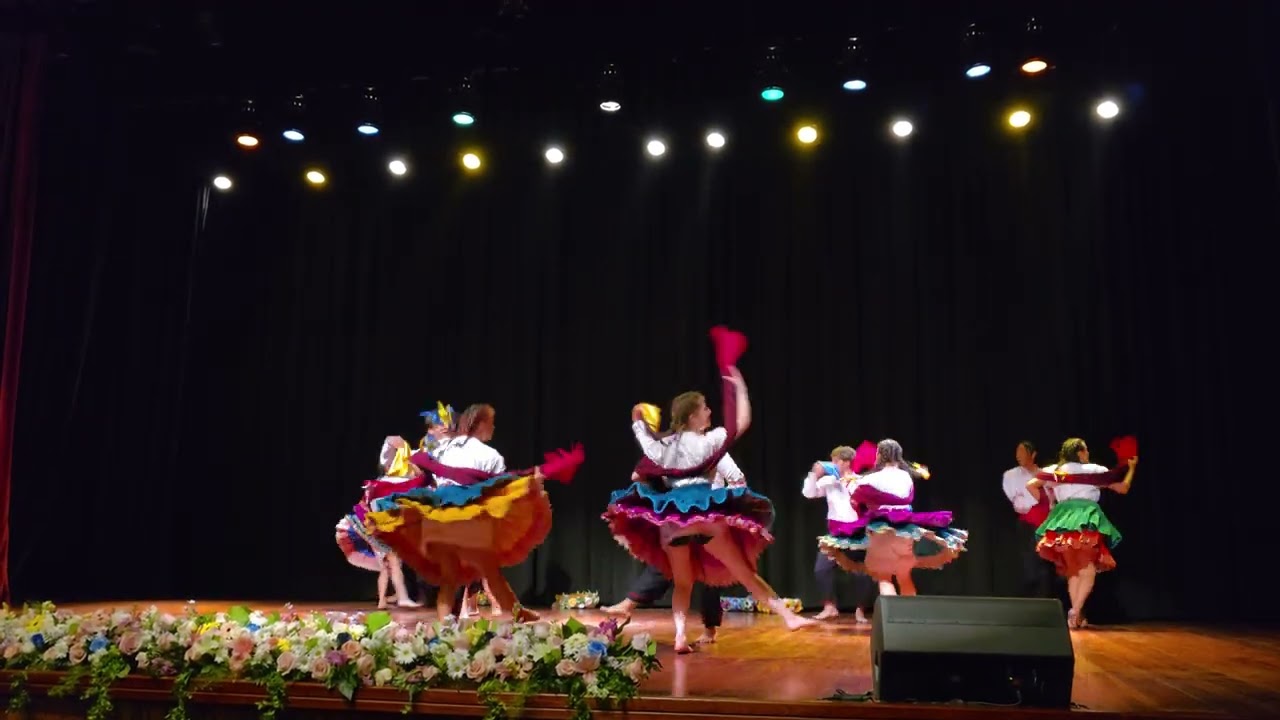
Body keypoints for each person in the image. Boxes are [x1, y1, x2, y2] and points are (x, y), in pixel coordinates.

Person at [603, 326, 816, 654]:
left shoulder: (661, 446)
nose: (710, 412)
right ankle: (788, 618)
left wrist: (638, 417)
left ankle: (679, 638)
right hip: (706, 513)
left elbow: (640, 441)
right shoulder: (709, 441)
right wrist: (737, 383)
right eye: (705, 408)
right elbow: (741, 422)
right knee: (745, 573)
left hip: (672, 519)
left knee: (683, 582)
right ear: (692, 416)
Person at [366, 403, 584, 622]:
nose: (493, 429)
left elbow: (422, 470)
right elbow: (499, 487)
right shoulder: (490, 455)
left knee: (451, 578)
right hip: (468, 520)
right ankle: (517, 614)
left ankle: (446, 626)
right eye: (491, 424)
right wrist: (530, 479)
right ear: (480, 424)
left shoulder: (440, 450)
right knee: (490, 572)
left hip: (437, 518)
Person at [601, 403, 747, 646]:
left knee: (709, 575)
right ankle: (633, 606)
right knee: (669, 564)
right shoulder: (676, 449)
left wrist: (725, 506)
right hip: (685, 514)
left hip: (709, 515)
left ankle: (707, 629)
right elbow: (639, 472)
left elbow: (737, 479)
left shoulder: (712, 448)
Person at [817, 439, 967, 597]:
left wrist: (850, 481)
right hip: (905, 530)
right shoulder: (906, 476)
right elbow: (906, 497)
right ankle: (911, 612)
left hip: (881, 530)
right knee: (904, 575)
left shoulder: (872, 478)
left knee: (884, 576)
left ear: (880, 455)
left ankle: (891, 611)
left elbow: (855, 496)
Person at [1027, 437, 1137, 629]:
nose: (1088, 453)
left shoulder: (1055, 470)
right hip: (1085, 518)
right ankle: (1076, 611)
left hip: (1062, 520)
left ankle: (1075, 616)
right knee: (1088, 569)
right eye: (1085, 450)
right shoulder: (1093, 470)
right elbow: (1123, 488)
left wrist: (1050, 502)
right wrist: (1132, 469)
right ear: (1079, 452)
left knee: (1074, 571)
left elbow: (1031, 484)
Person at [334, 437, 426, 608]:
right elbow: (419, 478)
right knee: (393, 560)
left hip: (363, 524)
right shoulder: (393, 483)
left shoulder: (385, 483)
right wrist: (406, 450)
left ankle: (384, 600)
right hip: (362, 525)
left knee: (388, 564)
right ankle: (401, 597)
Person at [803, 444, 877, 622]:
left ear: (846, 462)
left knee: (861, 573)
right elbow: (808, 493)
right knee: (821, 569)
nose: (832, 464)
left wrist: (848, 483)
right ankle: (829, 607)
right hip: (835, 533)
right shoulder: (829, 481)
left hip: (857, 533)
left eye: (835, 461)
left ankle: (860, 610)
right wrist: (814, 475)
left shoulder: (860, 481)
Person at [1002, 440, 1057, 598]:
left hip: (1047, 522)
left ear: (1033, 455)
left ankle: (1045, 598)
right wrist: (1031, 504)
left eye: (1022, 452)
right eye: (1017, 452)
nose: (1019, 456)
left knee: (1046, 565)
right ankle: (1030, 598)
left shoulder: (1045, 474)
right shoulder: (1011, 475)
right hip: (1028, 522)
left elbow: (1053, 497)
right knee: (1030, 564)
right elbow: (1016, 500)